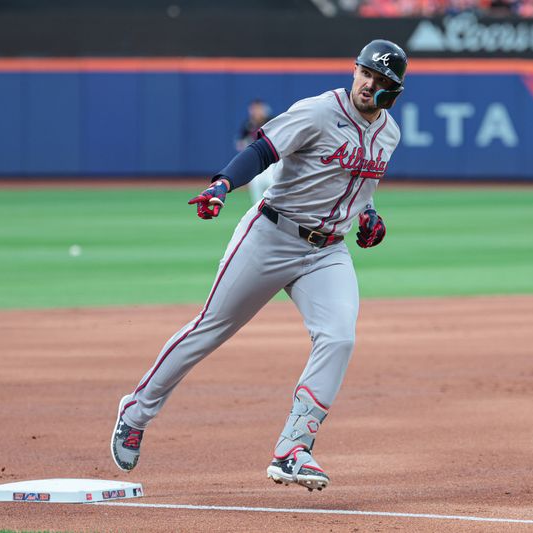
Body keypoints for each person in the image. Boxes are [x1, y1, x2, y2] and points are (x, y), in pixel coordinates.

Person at [111, 39, 407, 492]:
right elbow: (263, 150)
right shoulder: (318, 112)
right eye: (366, 72)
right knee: (210, 328)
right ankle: (136, 411)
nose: (370, 83)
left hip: (327, 251)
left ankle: (293, 448)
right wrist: (222, 185)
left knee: (339, 337)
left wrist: (368, 217)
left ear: (394, 90)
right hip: (271, 235)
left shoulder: (389, 133)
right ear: (354, 71)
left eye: (381, 79)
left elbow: (358, 189)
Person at [236, 99, 276, 206]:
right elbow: (240, 142)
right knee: (256, 188)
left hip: (271, 160)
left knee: (272, 185)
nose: (256, 111)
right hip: (255, 160)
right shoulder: (248, 124)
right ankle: (258, 210)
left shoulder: (271, 121)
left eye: (258, 108)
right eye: (254, 109)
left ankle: (274, 209)